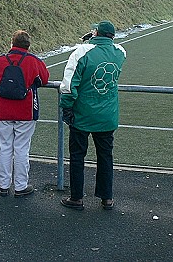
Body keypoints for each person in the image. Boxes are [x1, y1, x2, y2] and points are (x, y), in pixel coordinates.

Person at [59, 20, 126, 211]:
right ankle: (107, 198)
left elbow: (69, 85)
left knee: (78, 156)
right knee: (105, 156)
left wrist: (67, 108)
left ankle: (77, 197)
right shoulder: (119, 53)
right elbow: (118, 48)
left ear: (96, 33)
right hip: (107, 115)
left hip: (83, 115)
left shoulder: (81, 52)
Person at [0, 30, 49, 197]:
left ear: (12, 43)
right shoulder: (33, 61)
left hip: (3, 110)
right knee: (21, 149)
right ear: (28, 45)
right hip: (25, 111)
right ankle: (20, 186)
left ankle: (3, 185)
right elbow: (44, 78)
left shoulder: (1, 60)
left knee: (4, 147)